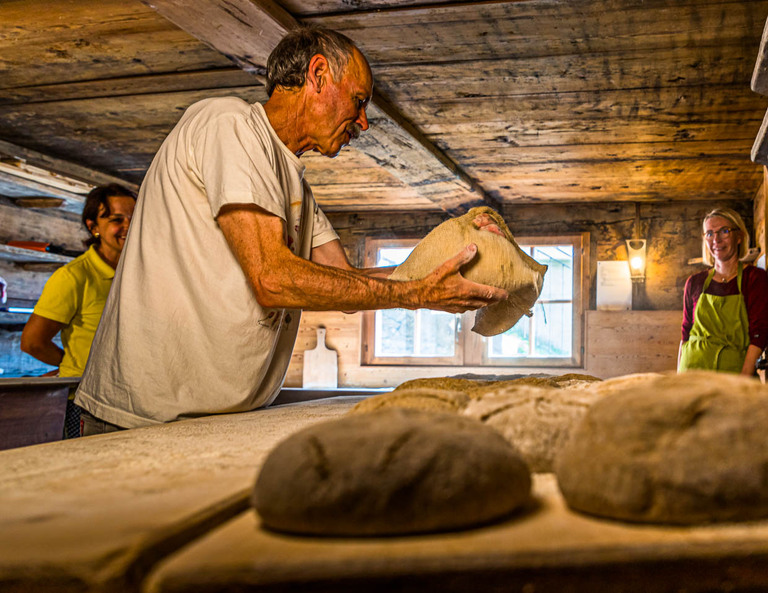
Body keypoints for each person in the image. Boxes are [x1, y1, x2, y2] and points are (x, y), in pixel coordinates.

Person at [73, 26, 507, 434]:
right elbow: (272, 279)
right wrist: (416, 294)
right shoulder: (229, 124)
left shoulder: (294, 181)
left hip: (213, 421)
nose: (364, 122)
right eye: (358, 100)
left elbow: (346, 284)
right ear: (318, 74)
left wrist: (452, 261)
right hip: (134, 417)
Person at [20, 184, 137, 437]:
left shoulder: (141, 272)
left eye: (134, 218)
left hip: (134, 400)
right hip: (88, 405)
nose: (128, 226)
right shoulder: (74, 277)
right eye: (117, 220)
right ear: (94, 226)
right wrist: (76, 366)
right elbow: (32, 342)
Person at [678, 207, 768, 375]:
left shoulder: (755, 278)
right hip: (692, 374)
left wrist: (742, 379)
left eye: (724, 231)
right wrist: (678, 378)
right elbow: (686, 333)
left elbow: (759, 333)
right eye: (710, 234)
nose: (716, 240)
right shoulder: (694, 282)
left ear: (739, 236)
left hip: (733, 375)